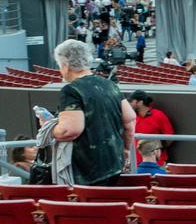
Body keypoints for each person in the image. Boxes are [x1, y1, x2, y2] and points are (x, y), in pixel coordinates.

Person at [49, 39, 136, 186]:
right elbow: (130, 119)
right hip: (114, 164)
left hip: (88, 172)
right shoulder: (109, 84)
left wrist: (49, 127)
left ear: (65, 65)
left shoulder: (71, 90)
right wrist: (126, 149)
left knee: (91, 207)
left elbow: (69, 131)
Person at [128, 90, 175, 164]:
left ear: (140, 102)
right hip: (135, 163)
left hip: (156, 163)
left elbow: (170, 137)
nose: (129, 104)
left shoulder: (158, 115)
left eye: (131, 101)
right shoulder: (132, 117)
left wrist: (156, 149)